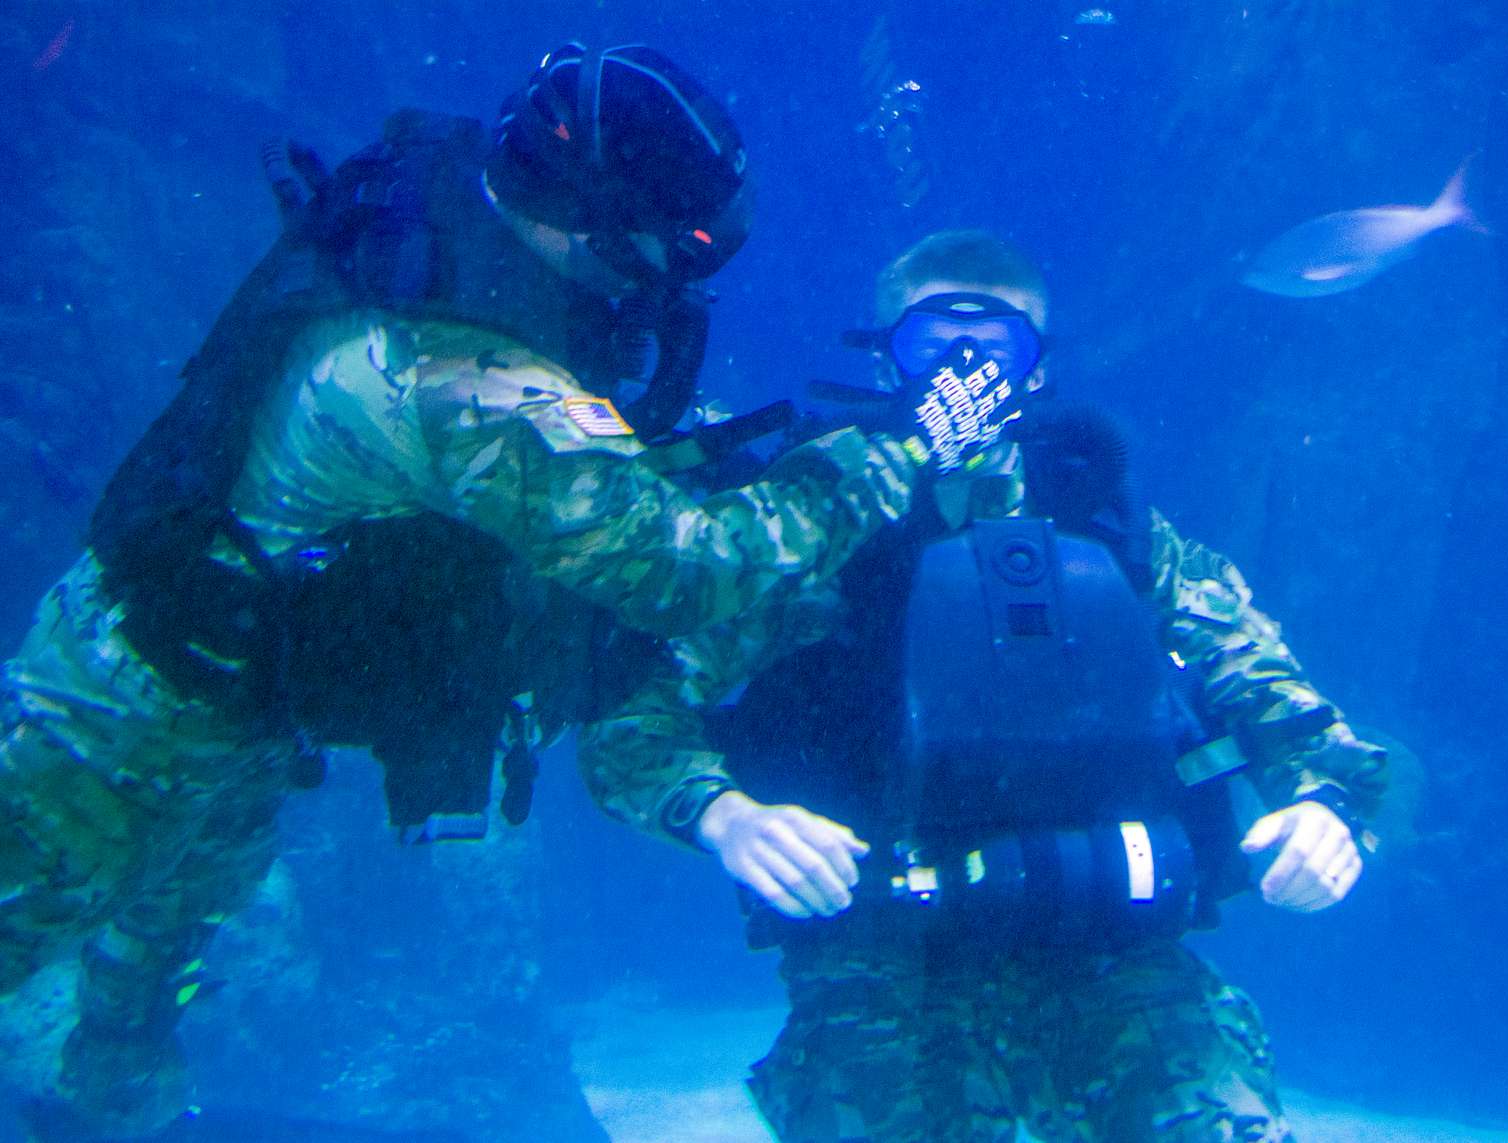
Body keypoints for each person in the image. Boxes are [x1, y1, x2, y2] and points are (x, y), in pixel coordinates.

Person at [0, 49, 1015, 1136]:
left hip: (235, 696)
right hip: (131, 705)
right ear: (594, 225)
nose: (684, 275)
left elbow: (590, 462)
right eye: (682, 246)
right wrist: (900, 447)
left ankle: (111, 1098)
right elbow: (688, 570)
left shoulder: (454, 221)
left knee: (157, 941)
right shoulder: (459, 379)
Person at [579, 230, 1389, 1142]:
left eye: (998, 346)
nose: (965, 370)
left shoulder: (1113, 530)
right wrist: (728, 816)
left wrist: (1324, 807)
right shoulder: (801, 529)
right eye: (934, 343)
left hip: (1112, 944)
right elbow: (630, 720)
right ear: (885, 353)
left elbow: (1278, 694)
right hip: (880, 950)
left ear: (1039, 369)